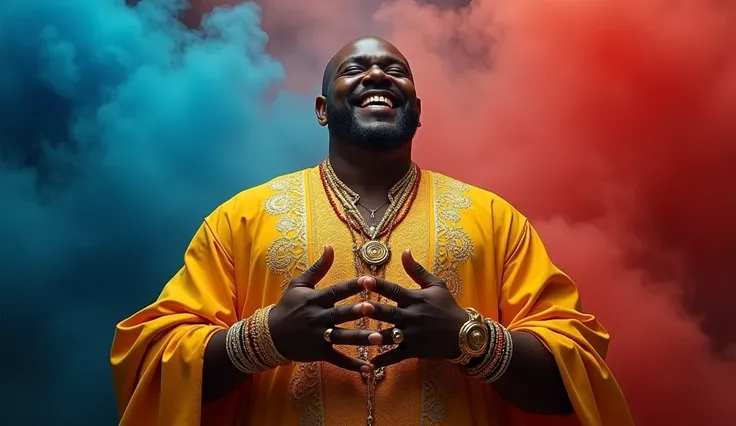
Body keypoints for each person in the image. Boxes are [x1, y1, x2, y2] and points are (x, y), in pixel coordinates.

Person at [110, 36, 634, 426]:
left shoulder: (494, 219)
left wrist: (468, 338)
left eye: (396, 70)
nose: (377, 75)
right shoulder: (241, 219)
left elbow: (576, 376)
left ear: (418, 109)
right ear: (322, 110)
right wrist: (265, 338)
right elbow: (152, 365)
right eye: (355, 68)